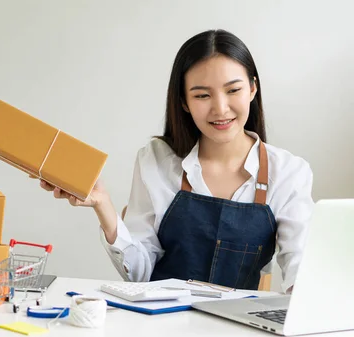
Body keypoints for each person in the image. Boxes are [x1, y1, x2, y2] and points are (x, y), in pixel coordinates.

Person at [38, 29, 314, 294]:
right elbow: (140, 274)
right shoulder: (156, 159)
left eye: (233, 90)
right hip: (158, 322)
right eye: (202, 95)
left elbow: (301, 270)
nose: (220, 108)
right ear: (183, 101)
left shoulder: (289, 172)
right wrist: (103, 206)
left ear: (253, 89)